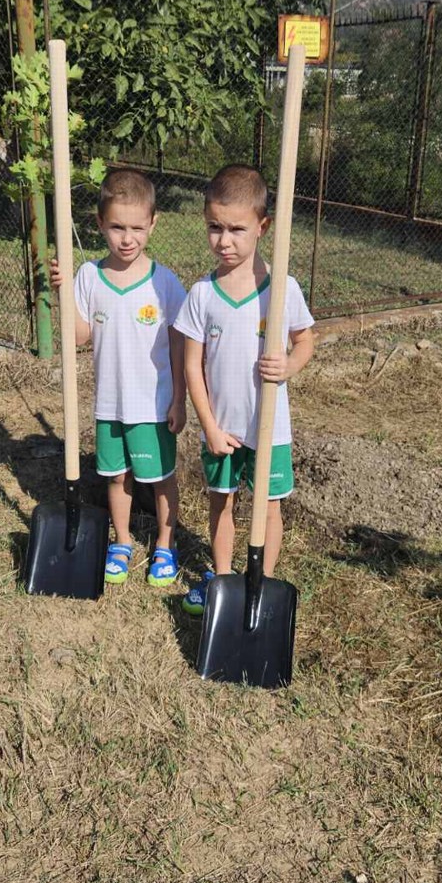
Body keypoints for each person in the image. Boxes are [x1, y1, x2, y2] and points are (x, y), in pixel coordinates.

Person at [174, 163, 315, 616]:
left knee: (268, 508)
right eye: (215, 227)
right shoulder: (202, 294)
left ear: (262, 226)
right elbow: (192, 365)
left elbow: (305, 340)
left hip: (268, 430)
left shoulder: (281, 290)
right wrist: (209, 427)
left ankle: (263, 584)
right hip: (223, 429)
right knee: (221, 504)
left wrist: (289, 364)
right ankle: (221, 577)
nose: (224, 240)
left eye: (237, 229)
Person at [50, 168, 187, 586]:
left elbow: (181, 345)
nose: (127, 238)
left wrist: (179, 398)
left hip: (151, 405)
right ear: (99, 224)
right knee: (116, 476)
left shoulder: (164, 284)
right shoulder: (89, 278)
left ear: (153, 224)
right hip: (109, 403)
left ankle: (165, 542)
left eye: (136, 228)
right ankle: (123, 540)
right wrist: (63, 295)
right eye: (116, 227)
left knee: (161, 478)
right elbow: (77, 337)